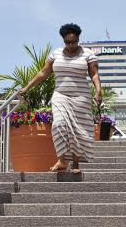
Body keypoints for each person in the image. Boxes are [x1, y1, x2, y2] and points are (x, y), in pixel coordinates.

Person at [19, 23, 102, 174]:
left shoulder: (87, 54)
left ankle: (76, 164)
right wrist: (27, 87)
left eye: (74, 41)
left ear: (78, 39)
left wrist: (98, 90)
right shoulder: (56, 54)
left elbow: (94, 74)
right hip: (60, 95)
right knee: (59, 124)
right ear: (63, 40)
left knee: (78, 130)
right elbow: (43, 73)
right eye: (67, 42)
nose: (71, 45)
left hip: (81, 97)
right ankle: (62, 160)